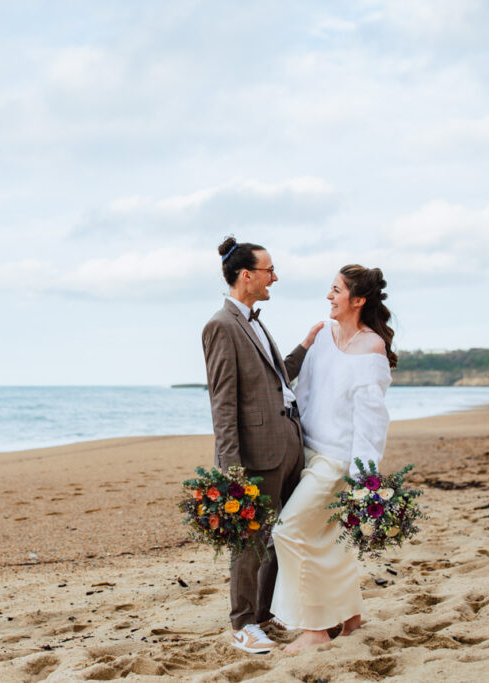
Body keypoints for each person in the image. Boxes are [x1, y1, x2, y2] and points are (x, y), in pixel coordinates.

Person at [201, 237, 323, 655]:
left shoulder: (255, 320)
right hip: (256, 454)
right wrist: (231, 469)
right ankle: (242, 624)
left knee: (279, 539)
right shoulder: (221, 326)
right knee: (250, 542)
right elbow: (223, 403)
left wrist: (305, 347)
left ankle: (264, 616)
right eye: (269, 269)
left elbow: (278, 383)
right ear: (247, 275)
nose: (276, 276)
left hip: (288, 446)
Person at [270, 264, 397, 653]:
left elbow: (371, 422)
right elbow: (301, 392)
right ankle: (349, 615)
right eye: (330, 288)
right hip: (308, 450)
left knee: (288, 531)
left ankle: (315, 629)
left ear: (357, 300)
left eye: (337, 290)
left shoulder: (371, 347)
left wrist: (365, 479)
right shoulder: (323, 336)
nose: (329, 296)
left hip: (338, 461)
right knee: (328, 538)